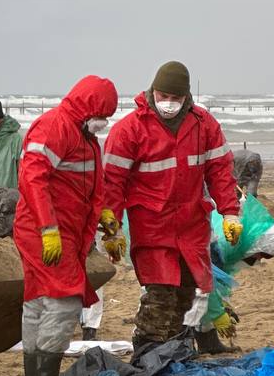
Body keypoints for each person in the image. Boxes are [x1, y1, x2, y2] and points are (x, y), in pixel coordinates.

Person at [102, 61, 241, 356]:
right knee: (160, 295)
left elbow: (220, 171)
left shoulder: (203, 125)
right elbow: (112, 182)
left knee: (186, 295)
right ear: (153, 91)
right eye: (163, 96)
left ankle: (174, 354)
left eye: (175, 99)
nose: (168, 104)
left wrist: (230, 212)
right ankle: (147, 356)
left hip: (191, 226)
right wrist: (111, 228)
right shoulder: (130, 129)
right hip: (152, 227)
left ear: (186, 97)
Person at [15, 75, 120, 376]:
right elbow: (32, 178)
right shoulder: (54, 127)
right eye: (102, 115)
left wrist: (104, 216)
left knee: (37, 303)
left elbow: (90, 184)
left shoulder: (85, 137)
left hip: (64, 233)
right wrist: (48, 228)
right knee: (63, 301)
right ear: (89, 108)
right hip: (44, 232)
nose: (104, 123)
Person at [193, 192, 274, 353]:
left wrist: (223, 305)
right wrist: (218, 314)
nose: (260, 260)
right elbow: (202, 281)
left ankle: (208, 344)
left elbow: (218, 280)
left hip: (198, 255)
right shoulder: (227, 243)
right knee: (183, 302)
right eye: (264, 255)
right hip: (179, 261)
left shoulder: (237, 241)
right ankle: (185, 345)